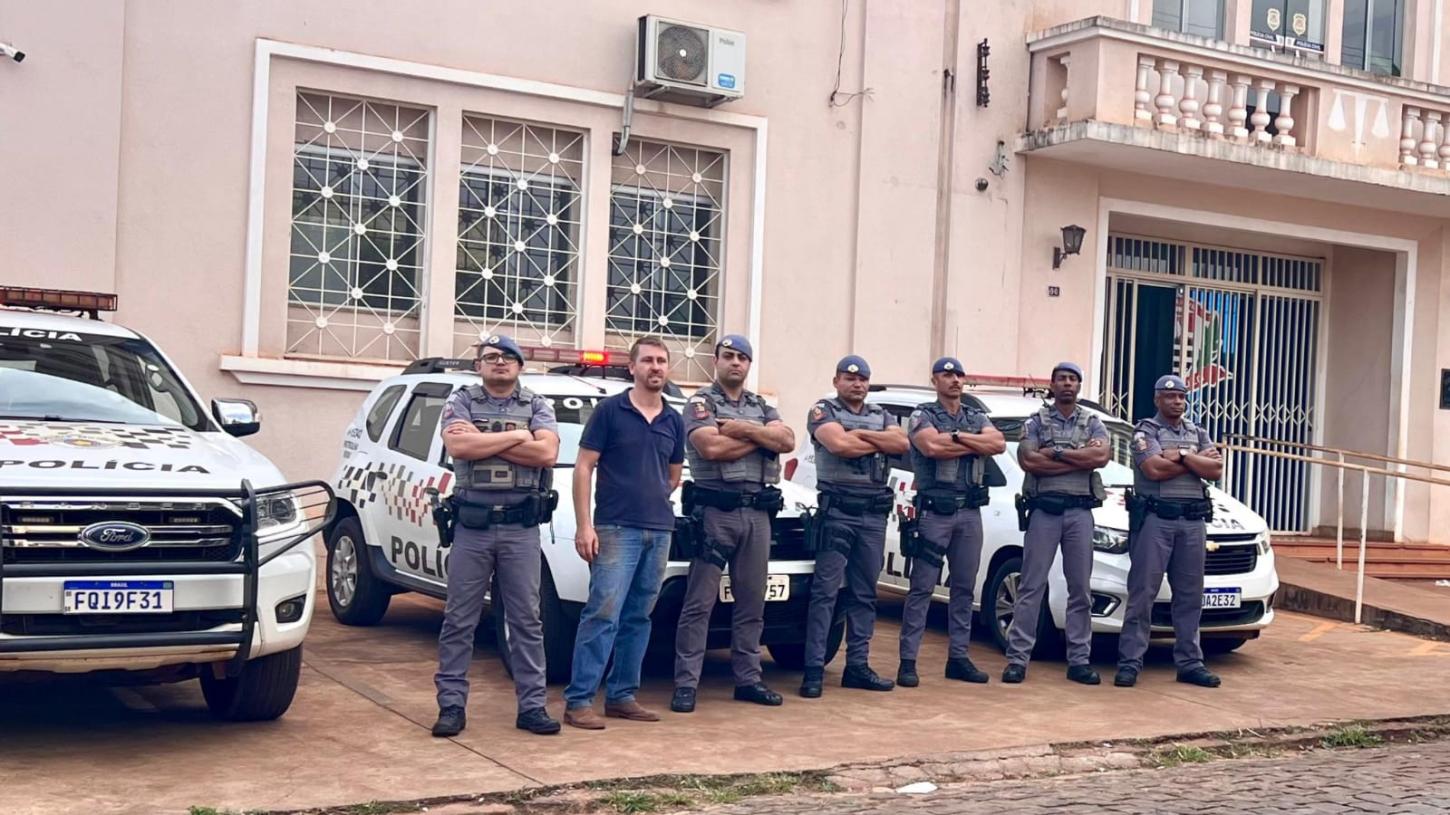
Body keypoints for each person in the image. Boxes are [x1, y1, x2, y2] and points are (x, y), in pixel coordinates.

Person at [432, 334, 562, 737]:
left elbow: (546, 454)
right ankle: (451, 706)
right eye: (491, 357)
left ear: (520, 365)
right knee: (459, 619)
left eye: (508, 357)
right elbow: (458, 445)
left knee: (526, 620)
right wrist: (518, 436)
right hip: (473, 526)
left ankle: (532, 707)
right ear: (479, 366)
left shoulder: (537, 404)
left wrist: (483, 440)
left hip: (521, 529)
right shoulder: (462, 400)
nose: (500, 362)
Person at [562, 337, 686, 729]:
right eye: (647, 360)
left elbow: (673, 475)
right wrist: (585, 525)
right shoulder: (610, 412)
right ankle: (579, 701)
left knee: (639, 617)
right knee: (602, 613)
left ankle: (621, 696)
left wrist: (653, 498)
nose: (655, 367)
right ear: (632, 367)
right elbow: (584, 467)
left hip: (659, 530)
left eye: (661, 361)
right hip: (616, 529)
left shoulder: (674, 420)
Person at [672, 335, 796, 713]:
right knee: (699, 603)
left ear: (749, 364)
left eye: (742, 357)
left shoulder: (761, 405)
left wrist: (741, 429)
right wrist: (763, 438)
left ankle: (748, 679)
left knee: (752, 603)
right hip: (716, 513)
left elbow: (787, 440)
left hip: (757, 514)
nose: (735, 363)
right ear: (716, 361)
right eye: (728, 356)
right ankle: (686, 684)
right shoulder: (700, 403)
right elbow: (711, 447)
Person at [799, 355, 909, 698]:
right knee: (826, 593)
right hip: (838, 513)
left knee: (864, 594)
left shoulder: (882, 414)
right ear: (836, 381)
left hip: (873, 516)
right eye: (849, 378)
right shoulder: (823, 410)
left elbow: (902, 444)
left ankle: (857, 666)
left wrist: (858, 433)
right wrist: (872, 439)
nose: (857, 383)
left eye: (862, 378)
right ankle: (813, 670)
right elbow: (839, 445)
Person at [896, 356, 1006, 687]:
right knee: (922, 588)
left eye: (958, 374)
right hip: (935, 512)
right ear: (935, 380)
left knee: (964, 588)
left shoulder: (975, 415)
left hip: (969, 513)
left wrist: (955, 437)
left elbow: (997, 443)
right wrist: (972, 443)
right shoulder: (923, 415)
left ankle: (958, 658)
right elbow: (931, 446)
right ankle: (907, 661)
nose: (954, 380)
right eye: (947, 375)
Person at [1002, 361, 1110, 685]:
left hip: (1079, 514)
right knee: (1031, 586)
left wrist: (1056, 455)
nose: (1067, 383)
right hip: (1044, 512)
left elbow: (1100, 458)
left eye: (1073, 379)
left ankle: (1079, 661)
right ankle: (1017, 659)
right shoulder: (1035, 421)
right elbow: (1028, 460)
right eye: (1061, 378)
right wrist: (1078, 458)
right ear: (1052, 384)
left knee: (1080, 590)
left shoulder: (1093, 422)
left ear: (1079, 385)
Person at [1115, 374, 1224, 690]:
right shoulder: (1146, 431)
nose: (1177, 401)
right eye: (1169, 396)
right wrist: (1195, 462)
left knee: (1190, 596)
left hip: (1192, 523)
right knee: (1142, 594)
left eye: (1181, 396)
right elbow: (1153, 469)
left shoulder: (1197, 432)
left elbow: (1215, 470)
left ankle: (1190, 663)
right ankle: (1130, 663)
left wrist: (1182, 456)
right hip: (1156, 520)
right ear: (1157, 399)